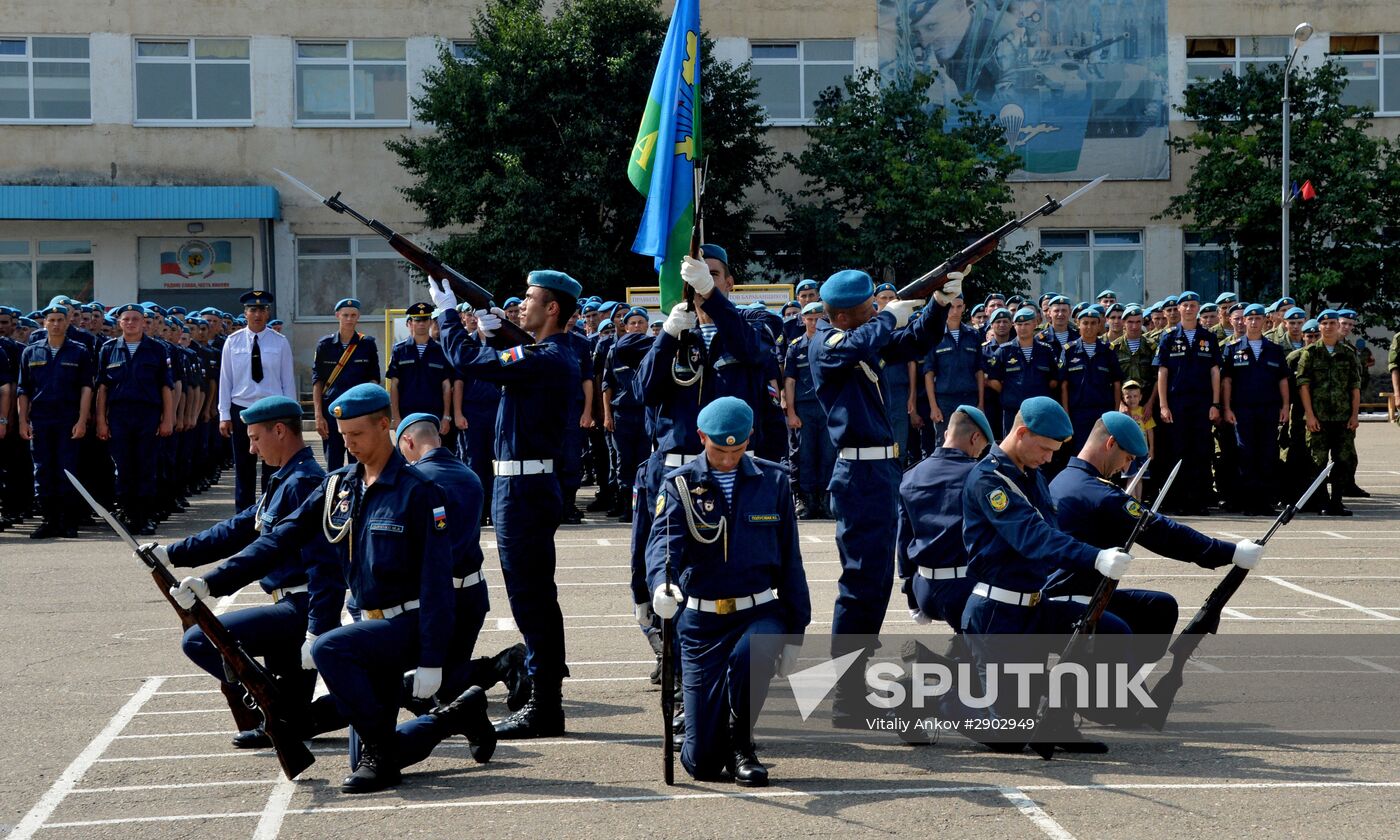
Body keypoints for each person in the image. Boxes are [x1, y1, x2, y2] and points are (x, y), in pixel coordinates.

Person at [207, 384, 494, 793]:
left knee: (331, 648)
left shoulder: (419, 492)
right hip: (369, 623)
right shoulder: (340, 485)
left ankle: (385, 745)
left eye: (357, 434)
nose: (350, 444)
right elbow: (281, 538)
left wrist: (431, 658)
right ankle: (455, 715)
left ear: (384, 425)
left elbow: (436, 582)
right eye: (343, 436)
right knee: (374, 759)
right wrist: (212, 581)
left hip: (407, 624)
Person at [432, 269, 581, 739]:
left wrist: (448, 315)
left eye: (532, 299)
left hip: (527, 492)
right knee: (531, 597)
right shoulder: (542, 354)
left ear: (552, 308)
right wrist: (492, 329)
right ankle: (544, 697)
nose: (522, 305)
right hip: (518, 489)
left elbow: (470, 363)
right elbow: (501, 362)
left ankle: (545, 704)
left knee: (531, 600)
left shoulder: (552, 356)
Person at [809, 268, 955, 721]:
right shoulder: (827, 344)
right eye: (870, 307)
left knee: (872, 584)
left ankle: (849, 685)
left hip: (880, 470)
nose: (878, 309)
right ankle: (845, 693)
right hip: (859, 475)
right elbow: (860, 343)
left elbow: (914, 344)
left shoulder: (865, 338)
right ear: (847, 315)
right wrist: (889, 316)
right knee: (861, 585)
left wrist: (939, 303)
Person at [646, 397, 811, 786]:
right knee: (702, 765)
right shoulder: (680, 484)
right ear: (702, 437)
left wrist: (796, 632)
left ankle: (742, 744)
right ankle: (708, 732)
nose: (727, 459)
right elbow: (661, 546)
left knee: (753, 653)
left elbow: (791, 560)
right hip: (701, 623)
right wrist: (661, 584)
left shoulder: (772, 481)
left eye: (737, 450)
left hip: (758, 612)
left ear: (750, 437)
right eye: (719, 450)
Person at [158, 396, 340, 747]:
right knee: (294, 722)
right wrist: (172, 553)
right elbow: (240, 528)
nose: (252, 449)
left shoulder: (302, 483)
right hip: (285, 605)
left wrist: (317, 629)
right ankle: (278, 710)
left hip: (299, 609)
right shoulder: (285, 478)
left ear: (280, 430)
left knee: (199, 640)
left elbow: (320, 564)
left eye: (255, 438)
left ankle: (266, 702)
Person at [1044, 412, 1263, 659]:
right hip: (1074, 602)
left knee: (1159, 607)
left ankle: (1126, 680)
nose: (1125, 467)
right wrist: (1231, 552)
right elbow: (1163, 534)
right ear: (1111, 443)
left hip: (1068, 593)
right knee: (1128, 626)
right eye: (1127, 458)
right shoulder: (1098, 494)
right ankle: (1115, 687)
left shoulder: (1065, 478)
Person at [896, 405, 992, 631]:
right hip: (967, 589)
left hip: (925, 590)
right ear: (975, 437)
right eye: (981, 447)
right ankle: (934, 662)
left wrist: (911, 596)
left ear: (947, 434)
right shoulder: (980, 477)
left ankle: (940, 656)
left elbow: (903, 542)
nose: (980, 453)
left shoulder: (910, 476)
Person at [95, 304, 174, 535]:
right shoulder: (109, 349)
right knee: (124, 466)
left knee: (146, 466)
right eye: (126, 319)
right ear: (119, 323)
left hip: (147, 414)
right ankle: (128, 514)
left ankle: (145, 516)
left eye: (135, 319)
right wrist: (101, 420)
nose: (130, 323)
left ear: (143, 322)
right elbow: (102, 388)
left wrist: (167, 419)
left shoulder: (157, 349)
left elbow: (165, 387)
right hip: (119, 415)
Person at [17, 301, 91, 538]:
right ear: (45, 323)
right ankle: (49, 520)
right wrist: (21, 421)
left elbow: (86, 389)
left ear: (68, 322)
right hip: (40, 419)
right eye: (52, 320)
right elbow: (23, 390)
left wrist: (82, 420)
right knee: (43, 470)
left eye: (61, 320)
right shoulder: (31, 352)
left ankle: (68, 522)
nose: (56, 324)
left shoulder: (79, 351)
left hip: (67, 420)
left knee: (67, 470)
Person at [218, 291, 295, 512]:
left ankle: (270, 511)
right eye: (253, 310)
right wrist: (224, 415)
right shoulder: (232, 342)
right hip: (242, 409)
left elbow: (287, 381)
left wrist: (290, 416)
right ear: (245, 313)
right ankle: (243, 515)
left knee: (272, 465)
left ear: (268, 312)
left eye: (262, 310)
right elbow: (225, 380)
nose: (257, 314)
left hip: (271, 411)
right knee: (244, 466)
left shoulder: (280, 342)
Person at [1153, 290, 1221, 516]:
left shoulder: (1209, 337)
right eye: (1186, 305)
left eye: (1193, 305)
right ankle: (1179, 500)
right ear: (1179, 309)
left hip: (1202, 403)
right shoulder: (1169, 337)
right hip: (1177, 403)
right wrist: (1163, 405)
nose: (1190, 309)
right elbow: (1162, 373)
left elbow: (1214, 372)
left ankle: (1199, 500)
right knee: (1177, 452)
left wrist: (1215, 403)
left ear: (1198, 308)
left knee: (1201, 452)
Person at [1221, 304, 1290, 515]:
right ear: (1243, 322)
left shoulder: (1275, 349)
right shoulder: (1232, 348)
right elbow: (1227, 382)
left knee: (1267, 454)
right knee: (1246, 455)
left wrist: (1285, 406)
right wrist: (1226, 408)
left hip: (1269, 409)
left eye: (1257, 319)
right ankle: (1249, 502)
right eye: (1248, 319)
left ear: (1264, 321)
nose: (1252, 322)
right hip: (1243, 410)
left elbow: (1283, 381)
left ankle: (1265, 502)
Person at [1296, 310, 1361, 516]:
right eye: (1325, 323)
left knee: (1342, 461)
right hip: (1319, 418)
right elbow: (1303, 385)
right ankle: (1322, 501)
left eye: (1333, 323)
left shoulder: (1348, 353)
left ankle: (1337, 501)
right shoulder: (1311, 353)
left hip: (1342, 418)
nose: (1329, 327)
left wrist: (1354, 415)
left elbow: (1355, 386)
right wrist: (1310, 415)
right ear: (1320, 326)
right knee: (1318, 461)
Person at [312, 298, 381, 471]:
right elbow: (318, 382)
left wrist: (371, 412)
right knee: (333, 464)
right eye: (345, 315)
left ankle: (357, 497)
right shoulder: (325, 345)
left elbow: (374, 380)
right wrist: (318, 416)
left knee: (359, 462)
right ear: (337, 316)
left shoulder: (367, 345)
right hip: (331, 413)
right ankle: (334, 497)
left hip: (359, 414)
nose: (349, 319)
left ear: (358, 317)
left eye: (353, 315)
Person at [783, 301, 835, 520]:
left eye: (818, 318)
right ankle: (804, 499)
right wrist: (791, 412)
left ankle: (824, 499)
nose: (814, 323)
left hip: (827, 408)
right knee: (803, 454)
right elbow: (790, 381)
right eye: (810, 319)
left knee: (827, 454)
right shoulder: (796, 346)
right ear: (802, 320)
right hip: (804, 408)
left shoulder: (832, 344)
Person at [602, 307, 653, 525]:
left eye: (641, 322)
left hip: (645, 413)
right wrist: (607, 415)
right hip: (622, 414)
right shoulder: (615, 351)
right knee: (624, 463)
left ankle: (642, 506)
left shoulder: (653, 350)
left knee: (645, 461)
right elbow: (607, 385)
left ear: (647, 325)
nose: (637, 326)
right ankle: (626, 507)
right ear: (625, 325)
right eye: (632, 322)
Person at [1058, 305, 1123, 454]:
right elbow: (1064, 386)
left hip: (1103, 412)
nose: (1089, 327)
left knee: (1102, 452)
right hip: (1078, 413)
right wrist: (1066, 415)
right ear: (1078, 324)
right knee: (1080, 452)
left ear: (1100, 325)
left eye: (1093, 323)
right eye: (1085, 323)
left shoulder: (1107, 351)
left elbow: (1117, 384)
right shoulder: (1069, 350)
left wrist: (1115, 412)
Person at [986, 307, 1059, 434]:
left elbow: (1054, 381)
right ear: (1014, 326)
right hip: (1013, 410)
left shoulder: (1046, 351)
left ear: (1035, 324)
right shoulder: (1004, 351)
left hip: (1039, 411)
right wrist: (1010, 391)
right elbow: (993, 380)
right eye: (1019, 324)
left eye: (1026, 324)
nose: (1023, 328)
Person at [923, 295, 984, 444]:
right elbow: (929, 373)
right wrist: (933, 406)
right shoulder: (935, 336)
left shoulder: (973, 335)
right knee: (944, 443)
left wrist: (981, 403)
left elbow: (979, 371)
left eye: (959, 306)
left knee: (971, 442)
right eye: (951, 307)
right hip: (945, 400)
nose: (955, 311)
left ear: (964, 307)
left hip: (969, 397)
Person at [387, 302, 453, 432]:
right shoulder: (399, 350)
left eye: (425, 320)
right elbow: (393, 385)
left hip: (434, 413)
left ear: (430, 322)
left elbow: (446, 386)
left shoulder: (440, 350)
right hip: (407, 413)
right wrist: (396, 417)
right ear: (411, 323)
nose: (421, 324)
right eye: (417, 320)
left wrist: (446, 417)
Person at [1118, 380, 1153, 499]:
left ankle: (1139, 502)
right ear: (1123, 398)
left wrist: (1151, 449)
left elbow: (1150, 431)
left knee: (1140, 477)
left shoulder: (1144, 412)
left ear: (1141, 397)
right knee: (1131, 477)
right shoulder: (1123, 413)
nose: (1132, 399)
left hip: (1142, 450)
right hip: (1129, 451)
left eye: (1135, 396)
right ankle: (1130, 501)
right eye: (1128, 396)